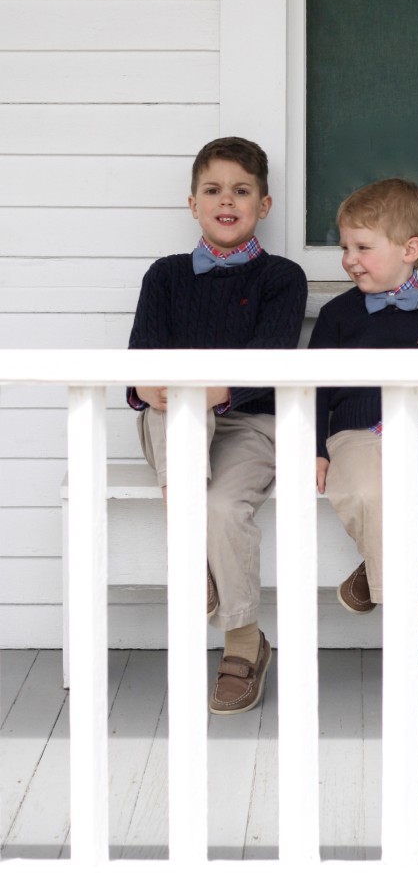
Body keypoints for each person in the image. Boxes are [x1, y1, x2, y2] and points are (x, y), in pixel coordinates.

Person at [127, 136, 307, 713]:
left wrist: (199, 392)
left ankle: (241, 641)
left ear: (265, 204)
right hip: (171, 420)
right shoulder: (166, 276)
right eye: (213, 190)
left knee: (224, 508)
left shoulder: (282, 277)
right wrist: (153, 387)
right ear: (192, 203)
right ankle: (197, 562)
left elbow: (269, 363)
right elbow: (139, 364)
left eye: (241, 190)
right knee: (176, 410)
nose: (226, 201)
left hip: (249, 427)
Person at [309, 177, 418, 669]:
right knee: (365, 492)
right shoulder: (337, 316)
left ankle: (373, 577)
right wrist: (314, 448)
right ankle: (404, 614)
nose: (349, 258)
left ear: (410, 249)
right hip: (354, 433)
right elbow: (314, 387)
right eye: (345, 246)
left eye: (363, 247)